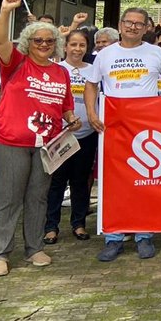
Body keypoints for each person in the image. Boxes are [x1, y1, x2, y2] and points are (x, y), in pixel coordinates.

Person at [0, 0, 79, 277]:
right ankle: (0, 253)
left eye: (49, 41)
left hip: (46, 145)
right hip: (11, 142)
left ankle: (34, 247)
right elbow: (2, 41)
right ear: (28, 43)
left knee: (38, 197)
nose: (43, 45)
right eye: (37, 40)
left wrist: (71, 119)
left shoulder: (61, 72)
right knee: (9, 198)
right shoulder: (15, 62)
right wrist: (4, 12)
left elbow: (64, 106)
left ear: (56, 44)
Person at [86, 7, 161, 262]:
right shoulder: (104, 54)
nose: (133, 27)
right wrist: (91, 113)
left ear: (147, 28)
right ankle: (114, 237)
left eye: (139, 24)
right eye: (128, 22)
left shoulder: (156, 53)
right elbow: (91, 84)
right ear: (120, 25)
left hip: (146, 129)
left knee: (145, 181)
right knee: (115, 183)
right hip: (113, 128)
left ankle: (144, 235)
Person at [44, 30, 99, 245]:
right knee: (56, 182)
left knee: (80, 181)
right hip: (60, 136)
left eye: (82, 45)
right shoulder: (56, 70)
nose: (77, 49)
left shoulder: (95, 71)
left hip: (87, 134)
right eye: (73, 44)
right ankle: (50, 227)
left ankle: (78, 223)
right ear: (65, 46)